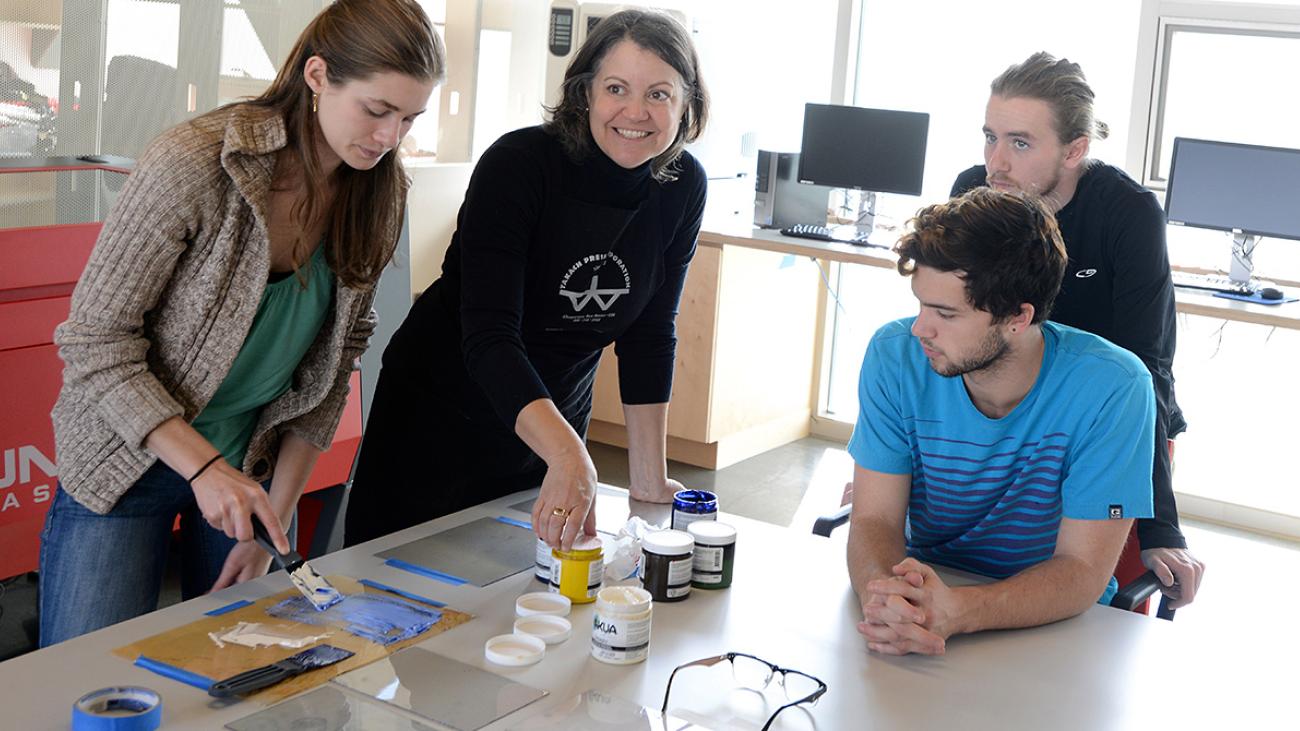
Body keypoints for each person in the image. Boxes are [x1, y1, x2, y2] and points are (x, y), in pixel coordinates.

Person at [40, 0, 444, 646]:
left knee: (230, 678)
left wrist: (273, 527)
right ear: (317, 76)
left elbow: (333, 371)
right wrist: (203, 469)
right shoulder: (197, 163)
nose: (391, 137)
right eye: (377, 111)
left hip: (246, 472)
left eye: (410, 118)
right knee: (91, 682)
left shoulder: (379, 193)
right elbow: (95, 341)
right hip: (125, 456)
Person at [344, 9, 709, 551]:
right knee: (398, 603)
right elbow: (490, 337)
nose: (636, 112)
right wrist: (566, 453)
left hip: (553, 423)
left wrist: (648, 477)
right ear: (584, 93)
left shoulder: (682, 185)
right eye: (616, 88)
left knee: (527, 597)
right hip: (442, 416)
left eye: (659, 94)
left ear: (687, 105)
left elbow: (650, 335)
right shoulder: (519, 164)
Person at [848, 188, 1155, 656]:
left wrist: (959, 611)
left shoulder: (1114, 386)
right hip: (926, 600)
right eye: (921, 304)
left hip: (1053, 626)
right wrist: (888, 598)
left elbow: (1082, 569)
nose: (920, 329)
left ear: (1017, 317)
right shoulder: (894, 357)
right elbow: (873, 519)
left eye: (945, 313)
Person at [950, 52, 1204, 609]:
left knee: (1103, 598)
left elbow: (1148, 369)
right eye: (989, 136)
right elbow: (951, 334)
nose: (995, 162)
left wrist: (1162, 528)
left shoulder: (1127, 213)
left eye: (1020, 143)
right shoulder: (975, 192)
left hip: (1115, 421)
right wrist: (893, 475)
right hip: (1007, 416)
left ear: (1074, 149)